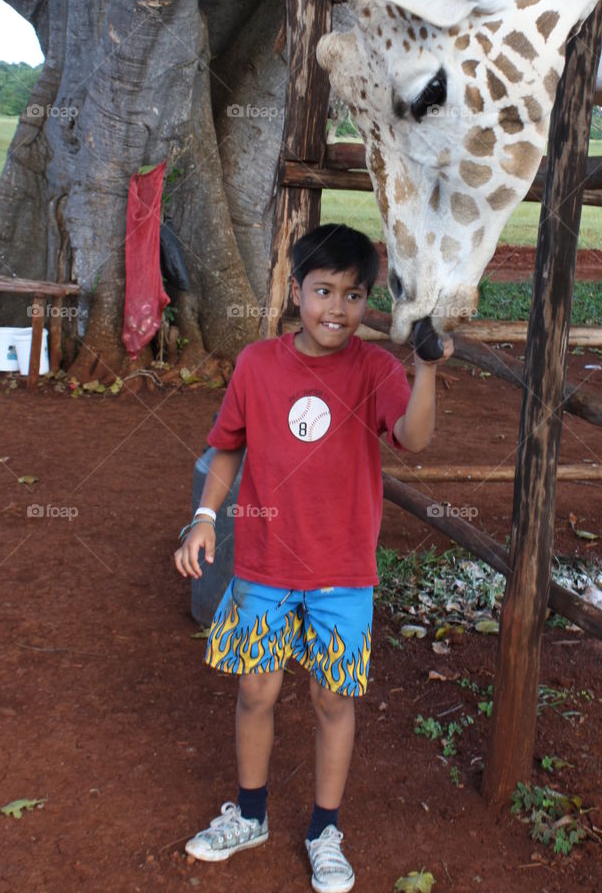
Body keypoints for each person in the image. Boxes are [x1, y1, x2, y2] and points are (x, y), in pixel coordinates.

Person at [174, 223, 453, 893]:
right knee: (256, 690)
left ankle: (325, 828)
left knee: (332, 698)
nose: (337, 308)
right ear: (295, 291)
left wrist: (428, 368)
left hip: (341, 574)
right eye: (322, 290)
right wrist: (204, 519)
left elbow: (412, 439)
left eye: (353, 295)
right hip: (265, 567)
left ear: (367, 302)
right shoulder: (257, 365)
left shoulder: (376, 369)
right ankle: (249, 814)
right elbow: (226, 447)